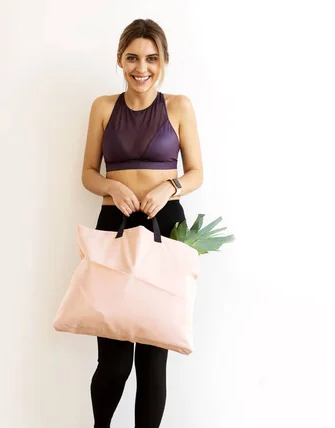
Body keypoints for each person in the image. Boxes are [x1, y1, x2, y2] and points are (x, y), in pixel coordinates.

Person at [80, 19, 204, 428]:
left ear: (164, 61)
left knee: (154, 358)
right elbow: (87, 174)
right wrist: (112, 188)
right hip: (114, 218)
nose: (142, 67)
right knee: (114, 359)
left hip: (165, 223)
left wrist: (170, 187)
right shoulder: (102, 106)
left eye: (152, 58)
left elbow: (196, 173)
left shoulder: (179, 107)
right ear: (119, 59)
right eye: (132, 57)